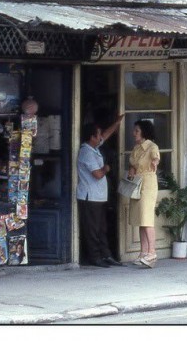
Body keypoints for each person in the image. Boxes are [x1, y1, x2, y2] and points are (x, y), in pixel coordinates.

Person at [77, 114, 124, 268]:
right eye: (97, 135)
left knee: (102, 228)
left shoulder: (94, 147)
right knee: (92, 229)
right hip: (90, 197)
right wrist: (106, 168)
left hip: (99, 196)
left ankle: (106, 255)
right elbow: (97, 174)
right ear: (92, 137)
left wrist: (116, 123)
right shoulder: (86, 152)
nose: (100, 137)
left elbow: (105, 135)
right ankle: (95, 257)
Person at [128, 119, 161, 268]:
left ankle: (152, 253)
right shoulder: (136, 148)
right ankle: (143, 252)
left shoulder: (151, 146)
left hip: (148, 183)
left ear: (143, 132)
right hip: (137, 182)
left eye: (137, 131)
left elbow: (156, 157)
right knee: (140, 219)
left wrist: (155, 162)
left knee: (147, 218)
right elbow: (133, 165)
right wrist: (131, 171)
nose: (133, 133)